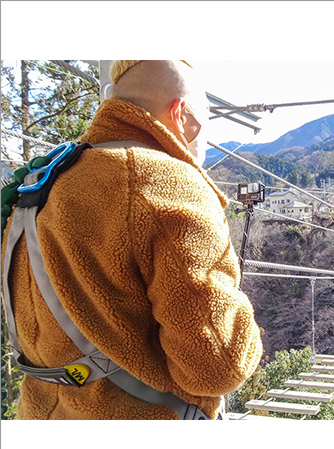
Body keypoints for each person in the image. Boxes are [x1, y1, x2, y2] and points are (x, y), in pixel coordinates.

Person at [1, 60, 263, 419]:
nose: (204, 140)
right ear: (181, 114)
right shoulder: (167, 181)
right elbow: (218, 365)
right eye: (205, 124)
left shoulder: (43, 181)